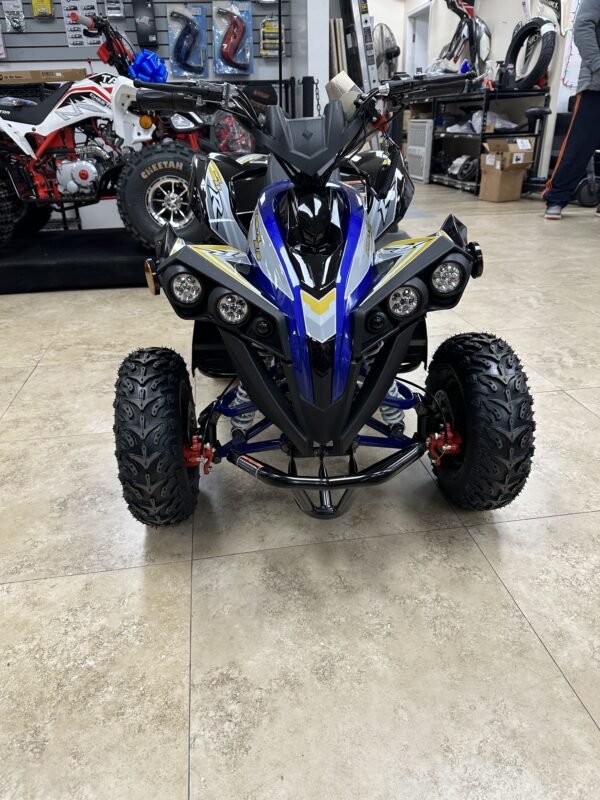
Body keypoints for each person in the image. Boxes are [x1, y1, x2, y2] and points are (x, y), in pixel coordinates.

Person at [543, 0, 600, 220]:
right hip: (596, 86)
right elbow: (582, 27)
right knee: (579, 145)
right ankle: (556, 198)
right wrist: (597, 64)